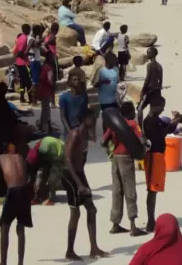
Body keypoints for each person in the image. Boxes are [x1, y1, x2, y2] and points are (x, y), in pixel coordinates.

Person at [62, 109, 108, 260]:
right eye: (92, 117)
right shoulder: (75, 134)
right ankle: (69, 250)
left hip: (80, 175)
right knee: (76, 213)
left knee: (92, 209)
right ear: (85, 119)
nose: (95, 120)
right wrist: (79, 184)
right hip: (70, 176)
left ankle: (94, 248)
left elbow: (82, 160)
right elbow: (67, 160)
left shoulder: (86, 136)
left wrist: (83, 180)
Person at [102, 102, 147, 237]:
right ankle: (133, 226)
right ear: (130, 112)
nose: (134, 113)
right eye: (133, 111)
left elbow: (103, 142)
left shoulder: (114, 125)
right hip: (126, 157)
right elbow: (142, 140)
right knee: (130, 190)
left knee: (117, 191)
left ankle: (115, 224)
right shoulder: (132, 124)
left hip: (115, 157)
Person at [142, 95, 180, 232]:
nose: (163, 109)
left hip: (158, 156)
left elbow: (168, 129)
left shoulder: (155, 119)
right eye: (162, 106)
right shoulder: (149, 122)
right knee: (152, 190)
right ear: (155, 106)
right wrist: (171, 125)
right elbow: (161, 134)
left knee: (154, 190)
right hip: (153, 156)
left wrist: (175, 121)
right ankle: (150, 221)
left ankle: (151, 220)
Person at [0, 152, 33, 265]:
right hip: (25, 191)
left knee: (4, 226)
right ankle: (20, 263)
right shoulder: (20, 156)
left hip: (13, 191)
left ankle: (3, 263)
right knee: (20, 228)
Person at [94, 52, 120, 132]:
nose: (116, 62)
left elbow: (118, 81)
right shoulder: (101, 71)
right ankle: (106, 137)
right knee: (106, 118)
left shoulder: (116, 69)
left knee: (115, 118)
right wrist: (102, 82)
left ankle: (112, 137)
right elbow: (95, 85)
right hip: (104, 99)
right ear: (108, 61)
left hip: (114, 98)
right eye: (114, 60)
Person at [59, 71, 88, 137]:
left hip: (81, 129)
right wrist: (69, 131)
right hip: (69, 130)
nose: (77, 81)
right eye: (75, 80)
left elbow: (85, 113)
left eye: (78, 80)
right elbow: (63, 116)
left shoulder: (84, 97)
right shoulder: (64, 97)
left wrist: (83, 127)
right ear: (70, 82)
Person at [139, 47, 163, 121]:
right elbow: (161, 80)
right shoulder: (159, 66)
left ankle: (140, 125)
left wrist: (143, 90)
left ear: (151, 54)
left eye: (148, 53)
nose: (147, 54)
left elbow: (147, 78)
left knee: (140, 108)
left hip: (149, 90)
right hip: (157, 90)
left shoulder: (149, 65)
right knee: (153, 111)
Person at [13, 24, 32, 103]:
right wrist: (27, 55)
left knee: (22, 81)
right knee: (28, 82)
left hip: (18, 63)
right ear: (28, 30)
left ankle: (21, 96)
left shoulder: (19, 38)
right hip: (23, 63)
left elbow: (16, 51)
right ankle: (30, 98)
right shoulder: (24, 39)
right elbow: (20, 52)